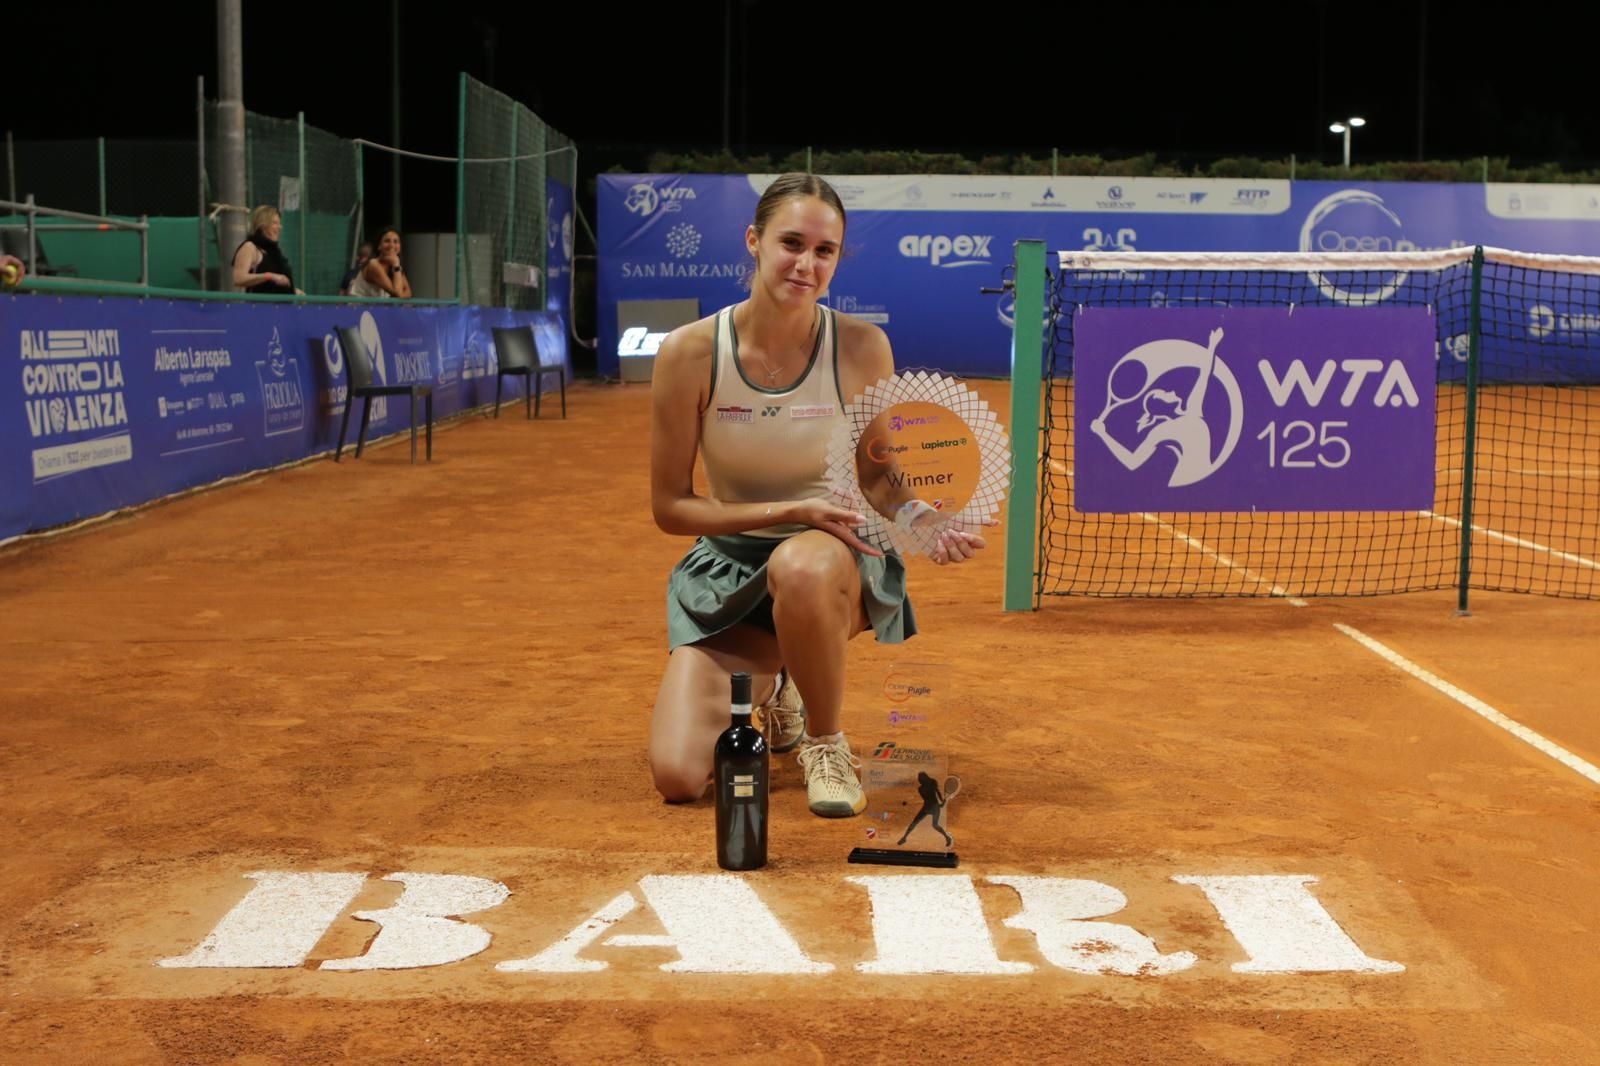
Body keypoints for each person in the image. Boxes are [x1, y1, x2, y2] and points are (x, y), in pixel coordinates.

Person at [647, 173, 987, 818]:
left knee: (800, 563)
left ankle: (826, 743)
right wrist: (793, 510)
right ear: (754, 241)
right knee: (679, 777)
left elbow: (879, 477)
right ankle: (783, 683)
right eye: (791, 243)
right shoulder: (688, 352)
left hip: (832, 562)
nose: (806, 264)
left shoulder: (861, 347)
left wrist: (920, 518)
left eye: (824, 251)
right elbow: (671, 507)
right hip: (729, 573)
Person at [231, 206, 299, 295]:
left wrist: (294, 292)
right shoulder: (250, 247)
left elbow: (274, 285)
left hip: (282, 307)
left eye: (279, 223)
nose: (280, 227)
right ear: (262, 225)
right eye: (275, 223)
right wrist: (269, 276)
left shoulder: (275, 253)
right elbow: (239, 278)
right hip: (260, 307)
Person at [347, 228, 412, 299]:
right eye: (387, 241)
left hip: (376, 308)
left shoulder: (395, 265)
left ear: (400, 247)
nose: (392, 245)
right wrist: (396, 264)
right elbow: (397, 293)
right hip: (359, 308)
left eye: (396, 242)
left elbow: (408, 292)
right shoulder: (373, 265)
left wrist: (396, 265)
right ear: (379, 246)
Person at [896, 771, 953, 847]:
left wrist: (941, 803)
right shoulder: (931, 783)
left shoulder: (921, 788)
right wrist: (941, 803)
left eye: (919, 778)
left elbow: (934, 794)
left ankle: (947, 838)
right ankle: (904, 838)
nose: (919, 779)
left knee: (919, 823)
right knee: (933, 825)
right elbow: (937, 793)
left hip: (929, 807)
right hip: (931, 807)